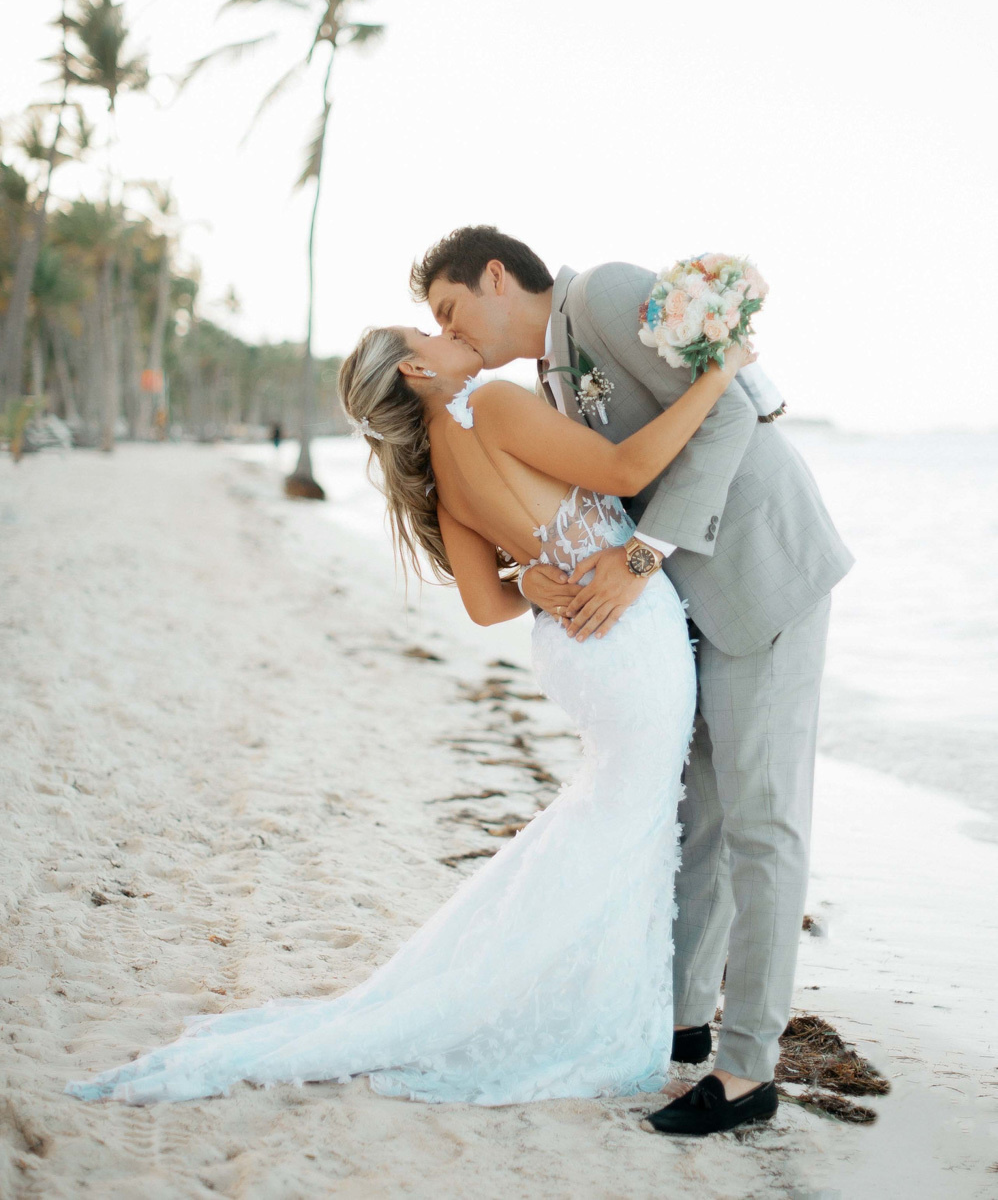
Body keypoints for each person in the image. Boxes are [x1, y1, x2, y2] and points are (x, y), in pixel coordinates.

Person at [65, 318, 753, 1109]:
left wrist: (530, 577)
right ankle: (586, 1011)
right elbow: (629, 464)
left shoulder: (436, 473)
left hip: (576, 649)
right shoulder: (489, 403)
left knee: (613, 818)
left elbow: (488, 606)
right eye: (430, 330)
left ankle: (583, 997)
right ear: (420, 370)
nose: (454, 330)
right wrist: (719, 372)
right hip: (622, 635)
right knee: (622, 822)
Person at [412, 227, 853, 1136]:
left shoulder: (606, 295)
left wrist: (643, 559)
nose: (455, 335)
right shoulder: (548, 377)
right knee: (700, 811)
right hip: (687, 599)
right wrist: (544, 578)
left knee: (762, 821)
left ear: (498, 276)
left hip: (762, 574)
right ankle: (684, 1025)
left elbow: (728, 411)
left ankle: (748, 1072)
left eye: (453, 312)